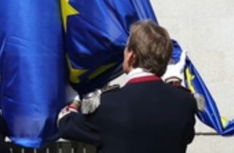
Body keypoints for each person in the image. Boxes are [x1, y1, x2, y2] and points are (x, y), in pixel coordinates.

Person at [57, 20, 197, 153]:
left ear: (131, 56)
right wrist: (174, 81)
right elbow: (188, 135)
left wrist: (74, 100)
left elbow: (67, 125)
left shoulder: (106, 105)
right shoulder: (185, 103)